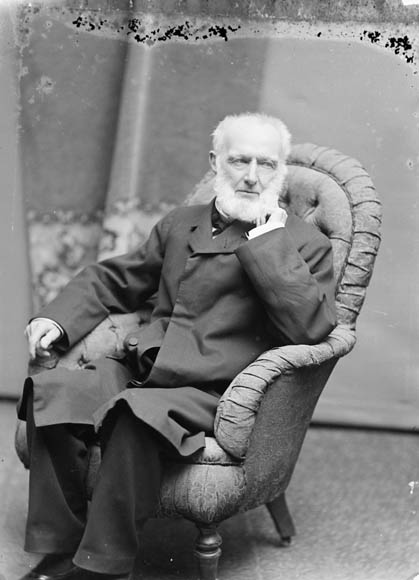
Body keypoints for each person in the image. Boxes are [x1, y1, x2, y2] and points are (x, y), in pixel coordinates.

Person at [18, 113, 337, 580]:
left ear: (280, 170)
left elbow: (311, 328)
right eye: (240, 160)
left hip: (213, 387)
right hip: (143, 367)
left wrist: (268, 242)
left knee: (134, 415)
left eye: (267, 164)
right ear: (215, 162)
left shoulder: (304, 244)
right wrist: (54, 318)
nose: (252, 176)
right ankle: (62, 551)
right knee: (54, 394)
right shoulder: (180, 224)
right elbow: (116, 278)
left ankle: (102, 568)